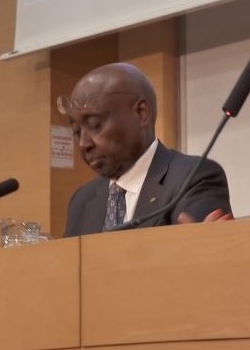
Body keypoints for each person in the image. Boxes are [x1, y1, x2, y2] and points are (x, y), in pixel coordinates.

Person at [60, 62, 232, 236]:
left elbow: (200, 255)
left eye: (95, 125)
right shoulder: (82, 200)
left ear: (141, 113)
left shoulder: (193, 178)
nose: (83, 143)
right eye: (76, 132)